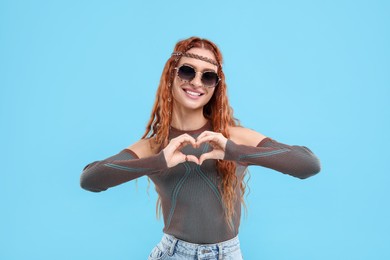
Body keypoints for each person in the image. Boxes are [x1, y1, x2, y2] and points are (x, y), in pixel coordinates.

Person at [80, 36, 321, 260]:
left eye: (208, 76)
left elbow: (308, 164)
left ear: (216, 86)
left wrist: (234, 152)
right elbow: (90, 179)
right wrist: (158, 162)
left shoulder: (233, 137)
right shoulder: (154, 147)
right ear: (171, 76)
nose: (196, 82)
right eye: (187, 71)